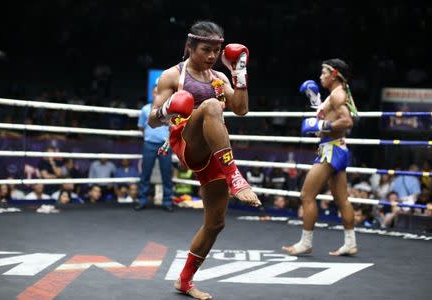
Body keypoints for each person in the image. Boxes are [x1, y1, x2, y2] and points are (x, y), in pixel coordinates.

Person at [148, 20, 260, 300]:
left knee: (215, 223)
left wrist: (239, 72)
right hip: (187, 144)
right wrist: (167, 108)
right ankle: (236, 175)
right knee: (211, 105)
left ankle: (184, 281)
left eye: (216, 50)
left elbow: (241, 109)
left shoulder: (219, 78)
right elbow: (152, 119)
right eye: (206, 49)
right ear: (190, 47)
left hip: (214, 153)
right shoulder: (172, 76)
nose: (211, 56)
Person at [282, 58, 358, 256]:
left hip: (331, 150)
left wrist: (324, 126)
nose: (320, 76)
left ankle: (306, 243)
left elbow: (347, 121)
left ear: (334, 74)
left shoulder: (337, 95)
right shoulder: (336, 94)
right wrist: (316, 103)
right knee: (342, 200)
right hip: (337, 148)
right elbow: (328, 115)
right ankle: (350, 243)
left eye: (324, 73)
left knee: (307, 195)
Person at [134, 80, 174, 211]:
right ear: (152, 93)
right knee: (145, 173)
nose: (157, 95)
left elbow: (175, 126)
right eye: (155, 92)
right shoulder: (145, 109)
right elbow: (141, 127)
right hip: (149, 144)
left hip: (165, 145)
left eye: (159, 93)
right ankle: (142, 200)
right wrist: (150, 136)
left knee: (166, 174)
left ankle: (167, 201)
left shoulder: (169, 109)